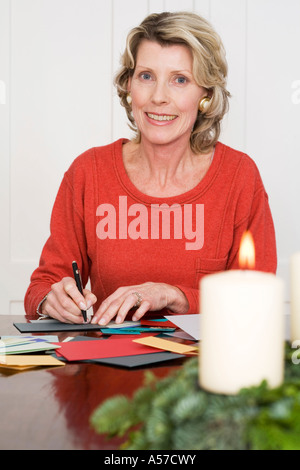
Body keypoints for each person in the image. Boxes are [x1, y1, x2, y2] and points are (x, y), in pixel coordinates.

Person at [24, 11, 277, 325]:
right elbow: (42, 286)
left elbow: (257, 300)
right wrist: (52, 298)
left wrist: (174, 295)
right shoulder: (88, 172)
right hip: (107, 368)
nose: (159, 97)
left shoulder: (239, 176)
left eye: (180, 80)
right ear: (130, 86)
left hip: (205, 371)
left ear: (205, 95)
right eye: (146, 76)